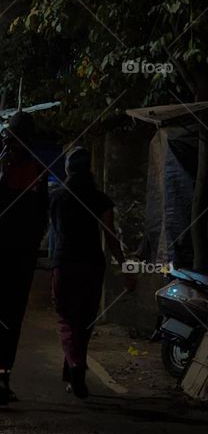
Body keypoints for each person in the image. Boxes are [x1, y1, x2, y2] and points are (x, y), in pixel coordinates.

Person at [50, 147, 134, 398]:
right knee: (85, 320)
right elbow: (110, 237)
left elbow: (54, 236)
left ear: (67, 169)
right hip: (92, 265)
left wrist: (52, 266)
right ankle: (74, 367)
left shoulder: (56, 198)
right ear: (89, 169)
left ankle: (75, 365)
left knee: (67, 319)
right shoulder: (99, 199)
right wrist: (126, 267)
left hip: (64, 263)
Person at [0, 110, 48, 407]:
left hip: (19, 255)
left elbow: (41, 216)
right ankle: (2, 375)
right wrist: (2, 180)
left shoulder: (36, 170)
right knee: (4, 317)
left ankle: (4, 375)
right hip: (3, 254)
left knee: (9, 318)